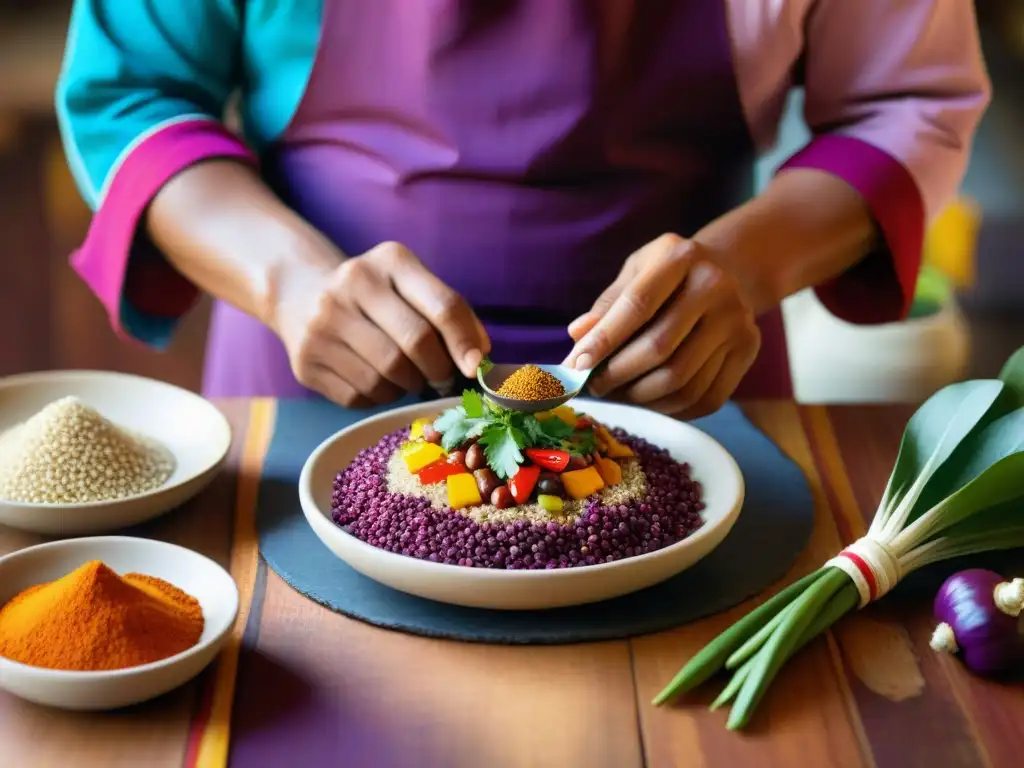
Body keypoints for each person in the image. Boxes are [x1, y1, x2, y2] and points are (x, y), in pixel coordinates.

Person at [57, 1, 990, 419]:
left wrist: (747, 267)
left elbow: (904, 105)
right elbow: (132, 92)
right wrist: (293, 280)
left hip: (694, 396)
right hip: (314, 395)